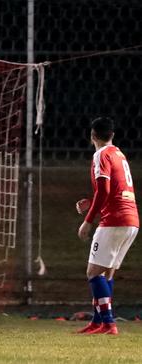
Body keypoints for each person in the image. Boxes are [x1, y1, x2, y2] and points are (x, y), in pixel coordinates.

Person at [75, 117, 138, 335]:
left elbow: (104, 190)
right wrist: (92, 204)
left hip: (115, 220)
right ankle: (98, 322)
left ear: (93, 135)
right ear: (112, 135)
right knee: (107, 273)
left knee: (93, 272)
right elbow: (114, 192)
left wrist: (87, 221)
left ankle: (109, 323)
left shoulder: (101, 154)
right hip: (131, 220)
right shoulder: (119, 154)